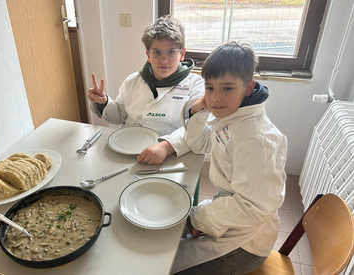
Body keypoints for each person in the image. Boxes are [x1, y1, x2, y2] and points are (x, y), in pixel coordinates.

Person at [171, 42, 288, 274]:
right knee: (170, 235)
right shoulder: (232, 118)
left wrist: (198, 219)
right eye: (209, 88)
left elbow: (252, 208)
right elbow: (201, 143)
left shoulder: (257, 139)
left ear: (248, 87)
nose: (215, 98)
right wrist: (196, 112)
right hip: (231, 217)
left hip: (246, 245)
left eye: (227, 88)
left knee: (168, 264)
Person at [87, 15, 204, 164]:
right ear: (148, 54)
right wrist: (103, 102)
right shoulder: (132, 81)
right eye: (156, 52)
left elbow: (197, 129)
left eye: (171, 52)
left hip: (173, 155)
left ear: (182, 54)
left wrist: (166, 146)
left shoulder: (196, 85)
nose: (163, 60)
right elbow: (118, 116)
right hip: (129, 150)